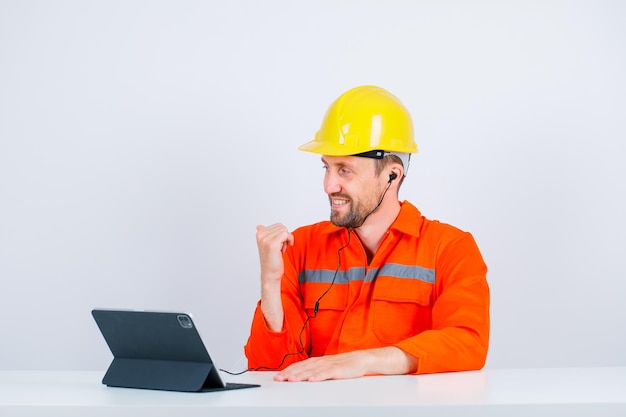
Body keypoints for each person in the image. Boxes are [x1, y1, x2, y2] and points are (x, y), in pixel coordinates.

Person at [244, 85, 490, 382]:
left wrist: (365, 360)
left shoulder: (450, 248)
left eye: (345, 170)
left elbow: (468, 343)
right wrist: (270, 282)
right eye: (327, 168)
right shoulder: (300, 246)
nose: (328, 185)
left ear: (392, 175)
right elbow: (270, 368)